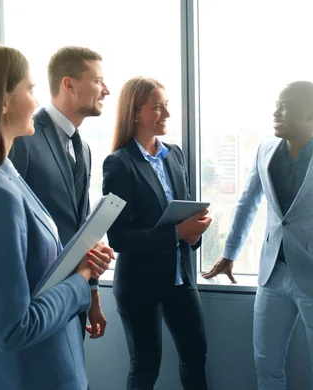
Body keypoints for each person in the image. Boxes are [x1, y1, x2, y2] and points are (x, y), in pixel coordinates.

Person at [0, 44, 111, 390]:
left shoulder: (0, 174)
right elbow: (14, 327)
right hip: (26, 373)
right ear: (2, 102)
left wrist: (81, 265)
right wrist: (81, 279)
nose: (36, 101)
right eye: (29, 90)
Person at [202, 81, 313, 390]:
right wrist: (230, 253)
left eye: (284, 107)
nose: (275, 112)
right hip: (272, 276)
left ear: (312, 114)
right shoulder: (265, 150)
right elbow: (248, 202)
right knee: (266, 364)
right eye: (276, 104)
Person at [102, 76, 211, 390]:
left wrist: (195, 231)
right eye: (157, 108)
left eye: (166, 106)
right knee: (146, 368)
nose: (166, 114)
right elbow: (118, 237)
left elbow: (185, 212)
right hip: (140, 286)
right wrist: (177, 233)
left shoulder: (174, 155)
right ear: (135, 113)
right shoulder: (119, 164)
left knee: (196, 357)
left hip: (180, 280)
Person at [10, 46, 113, 339]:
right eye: (98, 81)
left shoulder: (85, 149)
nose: (106, 90)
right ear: (69, 84)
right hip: (34, 305)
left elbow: (81, 227)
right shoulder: (23, 138)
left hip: (74, 298)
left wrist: (91, 295)